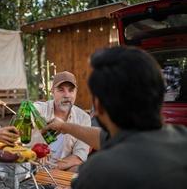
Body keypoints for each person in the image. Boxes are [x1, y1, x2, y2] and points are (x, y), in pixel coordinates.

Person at [45, 46, 187, 189]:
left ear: (98, 106)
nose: (67, 94)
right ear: (160, 95)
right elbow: (107, 137)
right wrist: (64, 126)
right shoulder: (182, 138)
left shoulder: (100, 172)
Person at [31, 71, 91, 172]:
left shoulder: (83, 118)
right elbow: (21, 133)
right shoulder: (38, 110)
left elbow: (79, 156)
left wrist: (52, 168)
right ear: (52, 92)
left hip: (60, 169)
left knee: (83, 170)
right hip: (32, 167)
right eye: (61, 90)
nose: (67, 95)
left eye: (71, 90)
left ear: (76, 92)